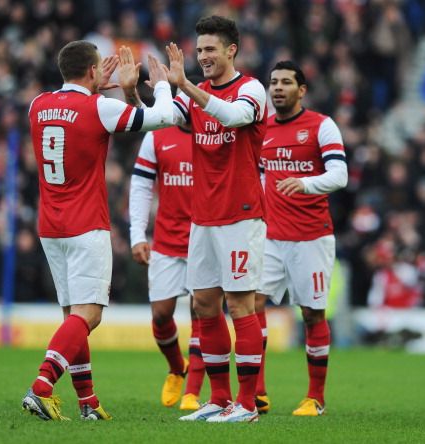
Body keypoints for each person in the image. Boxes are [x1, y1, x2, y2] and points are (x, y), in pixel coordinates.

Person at [22, 40, 174, 421]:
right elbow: (163, 119)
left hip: (50, 226)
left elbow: (72, 110)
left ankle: (88, 403)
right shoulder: (98, 107)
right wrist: (159, 86)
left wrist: (95, 88)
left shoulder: (37, 104)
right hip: (85, 224)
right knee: (89, 315)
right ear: (94, 71)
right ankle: (42, 386)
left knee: (73, 317)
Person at [164, 16, 268, 423]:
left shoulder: (252, 89)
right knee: (204, 304)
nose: (203, 56)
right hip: (203, 218)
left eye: (210, 49)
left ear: (231, 51)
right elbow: (164, 118)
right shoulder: (198, 93)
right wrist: (137, 95)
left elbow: (233, 117)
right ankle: (219, 398)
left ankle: (247, 404)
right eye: (199, 49)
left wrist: (185, 86)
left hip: (241, 216)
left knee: (240, 305)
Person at [256, 61, 348, 416]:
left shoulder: (321, 126)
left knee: (311, 314)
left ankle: (315, 397)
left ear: (301, 90)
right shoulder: (261, 129)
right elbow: (259, 176)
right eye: (273, 82)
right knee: (251, 306)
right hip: (269, 236)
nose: (277, 88)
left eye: (285, 83)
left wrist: (305, 183)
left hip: (311, 237)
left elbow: (339, 174)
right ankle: (258, 392)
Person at [129, 123, 206, 411]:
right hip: (166, 242)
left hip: (205, 239)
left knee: (202, 311)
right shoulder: (157, 136)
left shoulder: (215, 132)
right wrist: (138, 235)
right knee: (161, 315)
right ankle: (177, 368)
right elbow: (140, 185)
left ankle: (193, 392)